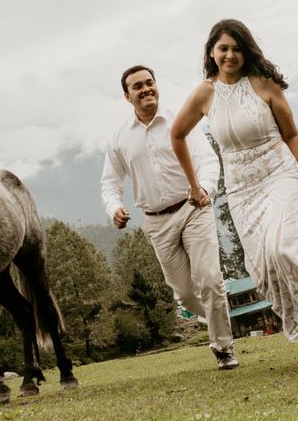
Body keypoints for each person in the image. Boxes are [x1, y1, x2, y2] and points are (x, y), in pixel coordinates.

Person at [171, 19, 298, 367]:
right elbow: (177, 135)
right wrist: (193, 184)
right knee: (269, 264)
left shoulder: (263, 84)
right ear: (211, 51)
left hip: (279, 174)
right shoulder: (204, 94)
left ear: (246, 51)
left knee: (283, 248)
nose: (230, 55)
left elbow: (292, 135)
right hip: (242, 191)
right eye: (223, 48)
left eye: (237, 48)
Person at [101, 64, 239, 370]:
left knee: (210, 280)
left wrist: (203, 188)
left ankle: (223, 347)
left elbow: (207, 160)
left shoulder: (179, 119)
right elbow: (110, 183)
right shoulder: (119, 138)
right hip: (156, 221)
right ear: (128, 96)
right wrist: (114, 208)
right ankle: (220, 317)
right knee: (185, 294)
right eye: (138, 86)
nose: (146, 89)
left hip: (193, 208)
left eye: (150, 83)